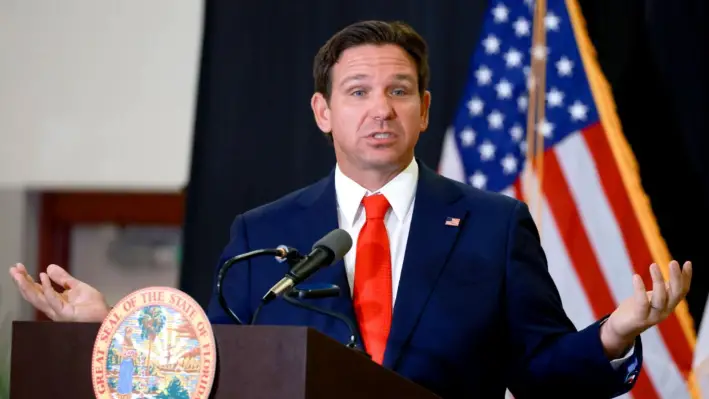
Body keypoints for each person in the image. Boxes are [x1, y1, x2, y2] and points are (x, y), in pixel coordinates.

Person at [8, 20, 692, 398]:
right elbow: (211, 365)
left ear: (424, 111)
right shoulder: (264, 232)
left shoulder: (491, 224)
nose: (379, 108)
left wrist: (612, 334)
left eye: (399, 91)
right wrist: (106, 325)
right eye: (358, 90)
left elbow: (540, 373)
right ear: (322, 112)